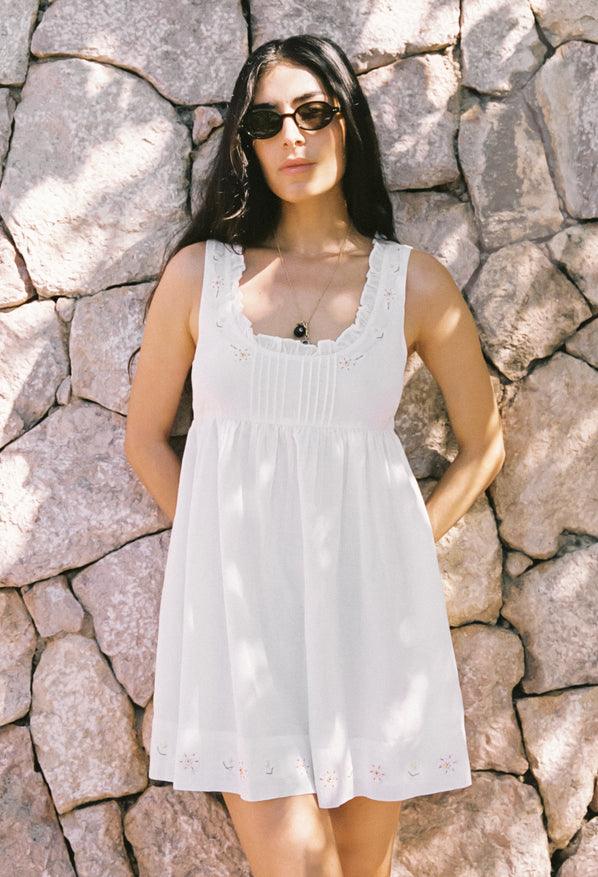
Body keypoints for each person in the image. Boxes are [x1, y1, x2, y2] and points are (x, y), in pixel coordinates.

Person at [125, 34, 505, 877]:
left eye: (312, 112)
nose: (290, 136)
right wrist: (220, 555)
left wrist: (403, 546)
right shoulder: (198, 278)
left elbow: (485, 444)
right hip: (243, 633)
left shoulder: (415, 284)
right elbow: (144, 439)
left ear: (347, 122)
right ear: (247, 146)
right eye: (265, 122)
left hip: (371, 623)